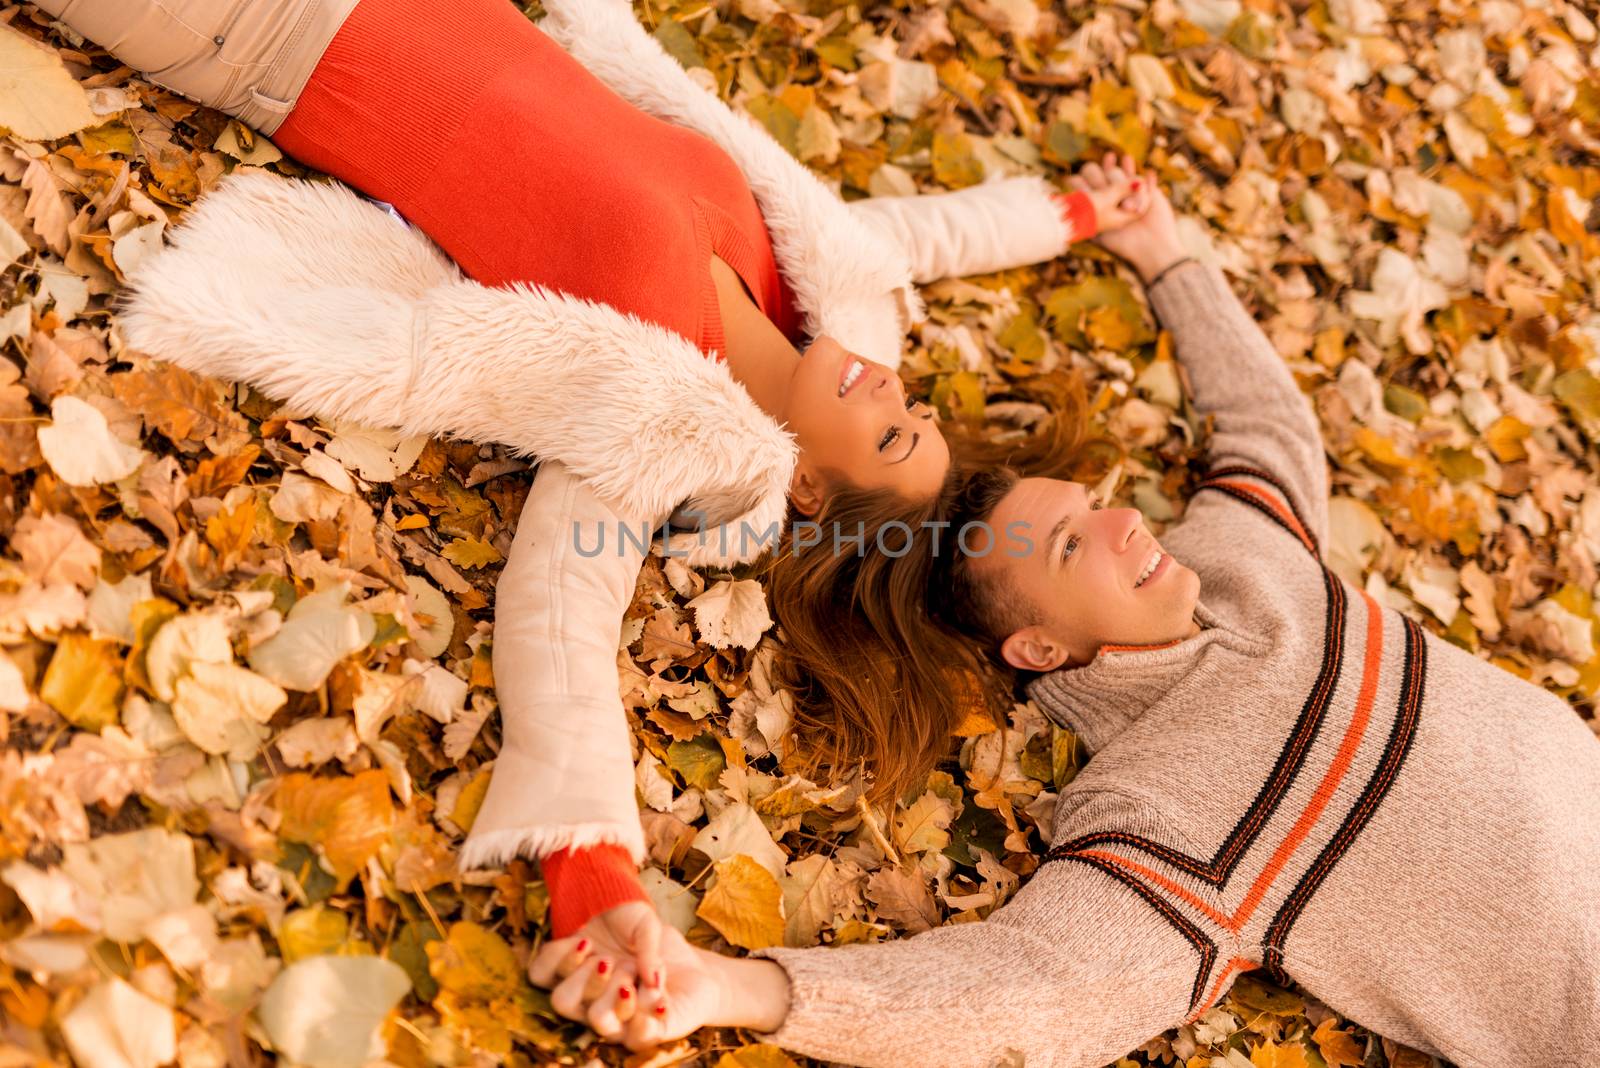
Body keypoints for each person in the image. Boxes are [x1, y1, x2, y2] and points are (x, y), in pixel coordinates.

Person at [34, 0, 1149, 989]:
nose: (890, 383)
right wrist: (1073, 213)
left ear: (805, 483)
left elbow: (562, 613)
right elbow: (911, 238)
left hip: (271, 34)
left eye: (892, 430)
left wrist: (588, 860)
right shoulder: (790, 270)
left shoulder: (649, 406)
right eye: (917, 408)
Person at [531, 167, 1600, 1066]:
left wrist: (1165, 255)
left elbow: (1268, 426)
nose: (1124, 525)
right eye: (1066, 545)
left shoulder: (1233, 555)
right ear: (1040, 649)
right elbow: (1031, 992)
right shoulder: (1173, 805)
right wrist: (732, 986)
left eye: (1092, 508)